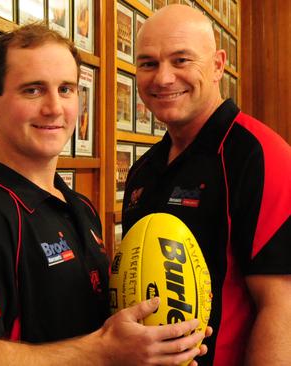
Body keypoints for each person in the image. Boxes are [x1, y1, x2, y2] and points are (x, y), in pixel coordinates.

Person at [0, 23, 210, 365]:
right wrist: (103, 351)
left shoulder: (78, 205)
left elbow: (97, 330)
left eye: (66, 89)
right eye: (33, 90)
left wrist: (153, 337)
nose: (54, 107)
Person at [122, 5, 291, 366]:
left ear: (217, 65)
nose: (163, 78)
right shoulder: (142, 171)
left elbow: (282, 308)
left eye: (181, 60)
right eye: (148, 63)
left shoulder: (261, 155)